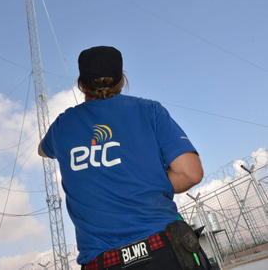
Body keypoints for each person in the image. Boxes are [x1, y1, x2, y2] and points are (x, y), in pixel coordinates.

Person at [38, 46, 209, 270]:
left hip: (101, 262)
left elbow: (42, 150)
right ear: (122, 79)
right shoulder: (149, 110)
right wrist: (145, 181)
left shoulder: (62, 126)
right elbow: (190, 173)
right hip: (162, 247)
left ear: (82, 83)